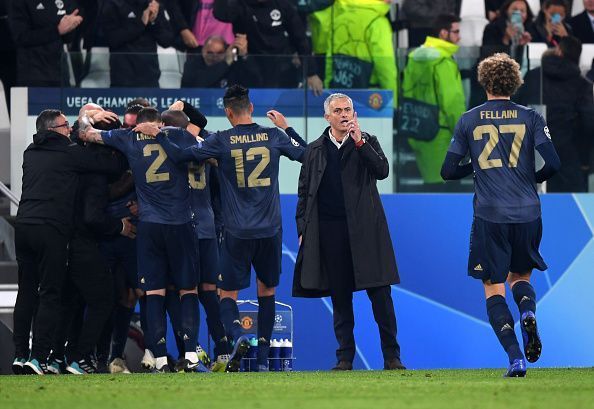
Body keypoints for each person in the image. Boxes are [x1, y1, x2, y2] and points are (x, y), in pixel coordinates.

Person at [137, 85, 306, 372]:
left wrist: (159, 135)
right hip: (270, 229)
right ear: (250, 108)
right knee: (267, 290)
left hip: (236, 230)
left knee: (226, 293)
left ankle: (238, 334)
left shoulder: (221, 140)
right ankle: (263, 362)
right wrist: (288, 128)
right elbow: (307, 155)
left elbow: (181, 156)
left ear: (228, 113)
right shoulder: (273, 135)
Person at [441, 53, 561, 377]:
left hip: (490, 215)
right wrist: (531, 178)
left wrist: (476, 166)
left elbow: (448, 171)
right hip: (527, 212)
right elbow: (554, 164)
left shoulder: (469, 119)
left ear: (484, 82)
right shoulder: (531, 117)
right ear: (515, 82)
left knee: (494, 288)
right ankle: (527, 312)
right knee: (520, 278)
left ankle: (515, 358)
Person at [80, 107, 200, 373]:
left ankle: (158, 358)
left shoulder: (127, 138)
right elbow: (206, 141)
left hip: (149, 227)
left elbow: (85, 134)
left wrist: (85, 113)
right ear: (158, 122)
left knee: (153, 292)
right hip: (180, 224)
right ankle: (191, 353)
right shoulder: (178, 135)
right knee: (187, 290)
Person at [292, 93, 404, 371]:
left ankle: (392, 356)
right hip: (330, 232)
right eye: (338, 111)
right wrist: (302, 229)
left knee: (381, 296)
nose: (344, 115)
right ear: (327, 117)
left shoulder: (366, 141)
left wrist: (359, 142)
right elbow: (304, 193)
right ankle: (345, 357)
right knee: (340, 298)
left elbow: (382, 171)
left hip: (366, 230)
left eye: (348, 110)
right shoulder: (315, 149)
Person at [12, 109, 123, 375]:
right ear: (54, 130)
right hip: (51, 230)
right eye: (65, 127)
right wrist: (86, 124)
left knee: (26, 292)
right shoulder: (69, 154)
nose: (69, 130)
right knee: (51, 294)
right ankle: (39, 358)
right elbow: (113, 167)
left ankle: (19, 355)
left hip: (23, 225)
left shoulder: (30, 151)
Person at [516, 36, 594, 192]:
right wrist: (585, 159)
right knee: (571, 206)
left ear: (558, 50)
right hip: (567, 154)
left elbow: (517, 109)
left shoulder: (533, 76)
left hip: (531, 149)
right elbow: (588, 123)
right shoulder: (582, 85)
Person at [401, 14, 466, 189]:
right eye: (456, 32)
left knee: (429, 192)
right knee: (447, 196)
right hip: (441, 135)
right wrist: (463, 134)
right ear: (443, 33)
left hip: (418, 129)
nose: (459, 37)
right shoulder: (443, 61)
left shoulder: (414, 57)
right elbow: (452, 102)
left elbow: (406, 91)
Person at [213, 0, 323, 94]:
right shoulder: (241, 4)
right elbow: (220, 13)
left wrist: (311, 73)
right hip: (250, 66)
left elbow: (300, 39)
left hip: (282, 68)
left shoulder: (282, 4)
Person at [323, 0, 397, 106]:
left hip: (339, 92)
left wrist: (328, 89)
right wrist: (392, 103)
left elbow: (329, 60)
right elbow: (385, 67)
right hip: (370, 96)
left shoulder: (337, 20)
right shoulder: (378, 22)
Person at [9, 0, 83, 86]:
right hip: (34, 74)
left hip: (60, 73)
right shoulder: (19, 2)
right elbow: (20, 37)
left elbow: (66, 38)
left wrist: (71, 26)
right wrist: (57, 30)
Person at [101, 0, 174, 87]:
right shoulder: (113, 4)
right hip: (122, 79)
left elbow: (166, 41)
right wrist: (141, 23)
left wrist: (154, 21)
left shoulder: (153, 5)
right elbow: (111, 39)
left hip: (150, 77)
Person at [181, 34, 261, 88]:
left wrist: (244, 55)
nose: (214, 57)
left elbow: (255, 82)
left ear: (226, 52)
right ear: (203, 51)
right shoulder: (191, 64)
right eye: (210, 53)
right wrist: (225, 63)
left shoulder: (233, 65)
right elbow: (196, 85)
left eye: (219, 53)